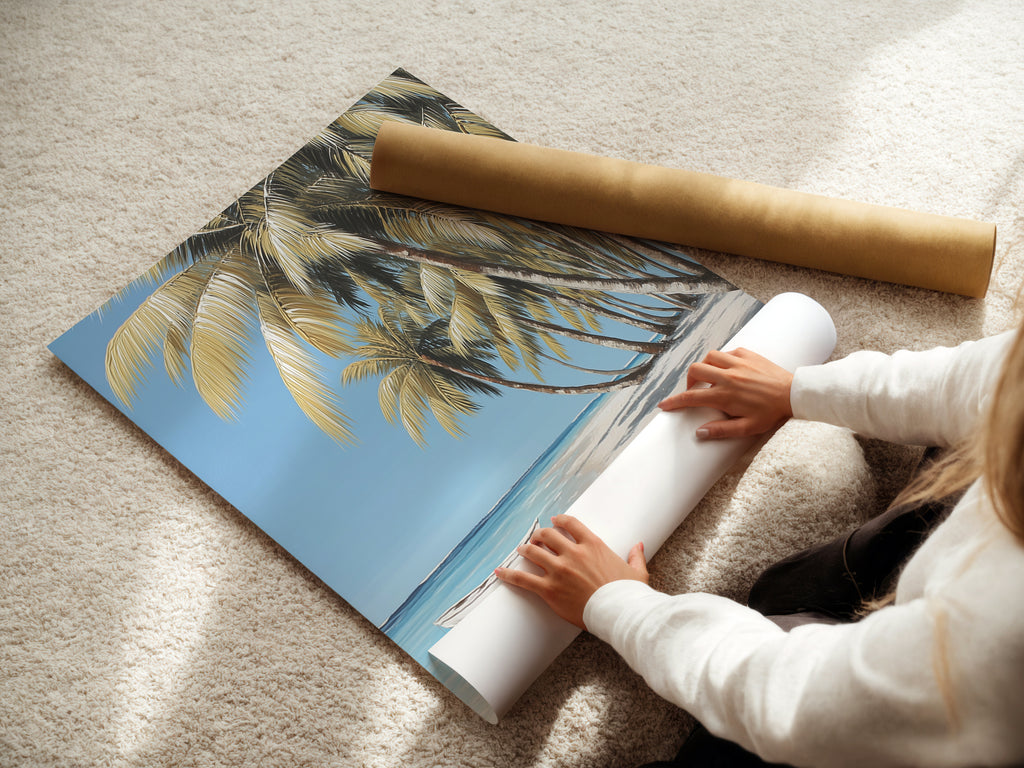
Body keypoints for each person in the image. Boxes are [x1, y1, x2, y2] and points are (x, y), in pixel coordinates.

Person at [495, 319, 1024, 767]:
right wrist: (797, 389)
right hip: (953, 607)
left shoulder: (999, 635)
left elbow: (794, 701)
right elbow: (983, 379)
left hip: (951, 719)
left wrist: (617, 605)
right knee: (789, 590)